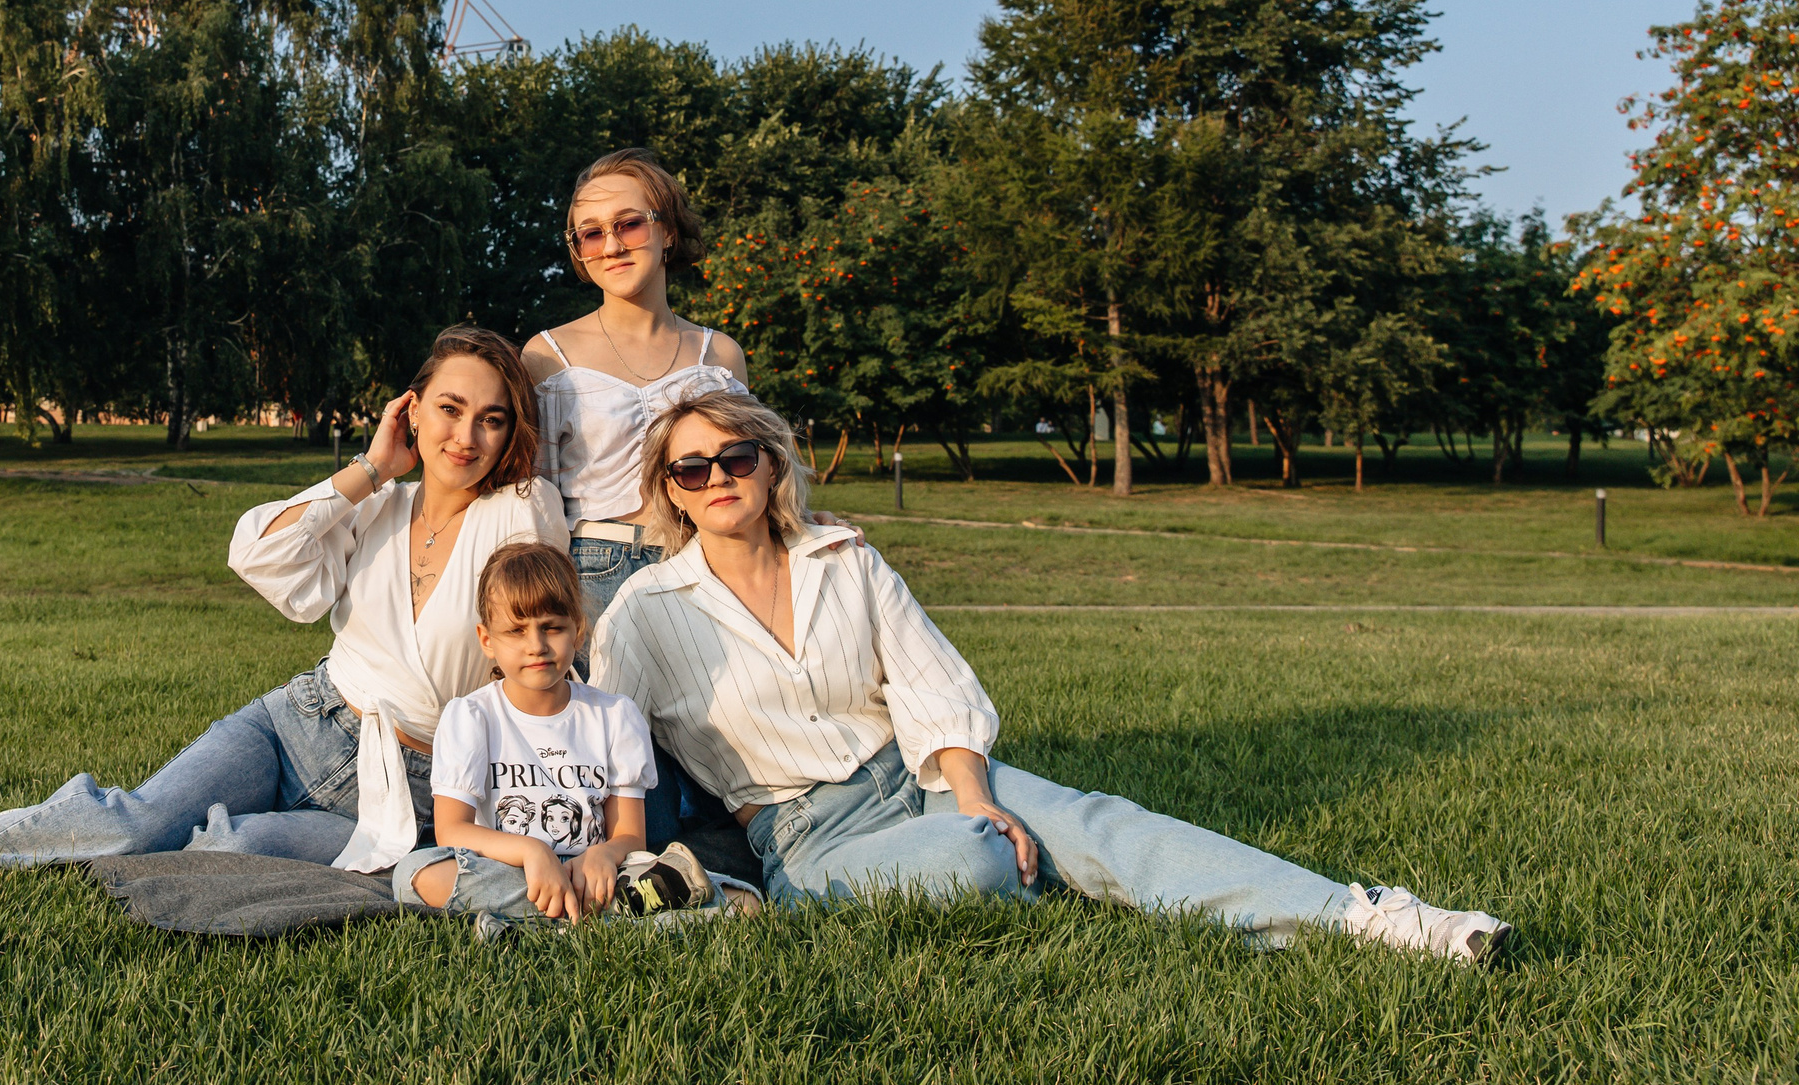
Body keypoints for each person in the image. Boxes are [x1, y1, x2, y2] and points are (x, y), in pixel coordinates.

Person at [591, 388, 1515, 964]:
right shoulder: (645, 611)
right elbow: (600, 742)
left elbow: (931, 685)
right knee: (979, 854)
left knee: (1103, 821)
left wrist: (972, 791)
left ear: (770, 463)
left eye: (735, 456)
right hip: (806, 836)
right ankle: (1035, 868)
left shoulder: (846, 561)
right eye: (692, 467)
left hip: (912, 777)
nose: (718, 477)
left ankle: (1374, 920)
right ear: (670, 489)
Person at [0, 325, 567, 873]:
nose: (466, 436)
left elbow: (533, 651)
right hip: (298, 720)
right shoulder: (374, 505)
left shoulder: (520, 514)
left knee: (216, 849)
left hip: (409, 785)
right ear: (409, 413)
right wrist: (370, 468)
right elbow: (258, 554)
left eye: (492, 419)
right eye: (448, 410)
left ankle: (121, 847)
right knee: (129, 822)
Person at [394, 540, 715, 928]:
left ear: (577, 631)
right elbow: (451, 829)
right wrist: (532, 852)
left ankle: (527, 921)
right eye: (516, 630)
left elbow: (631, 836)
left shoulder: (614, 715)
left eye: (552, 627)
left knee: (744, 899)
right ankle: (615, 915)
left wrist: (605, 855)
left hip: (594, 875)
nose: (537, 646)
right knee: (414, 874)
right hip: (512, 871)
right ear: (487, 640)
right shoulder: (472, 716)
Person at [522, 148, 750, 617]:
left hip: (707, 562)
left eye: (629, 224)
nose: (611, 246)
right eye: (591, 234)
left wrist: (808, 526)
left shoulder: (721, 355)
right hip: (591, 575)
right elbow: (530, 500)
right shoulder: (545, 356)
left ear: (666, 230)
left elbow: (752, 474)